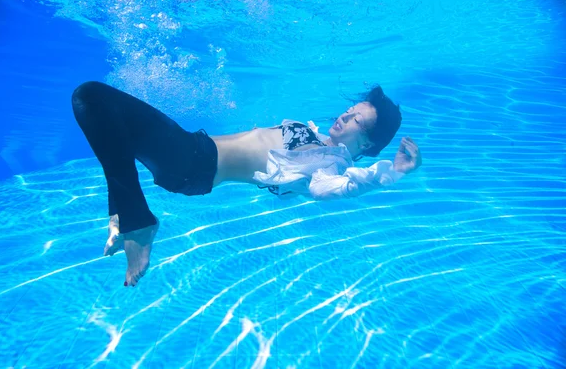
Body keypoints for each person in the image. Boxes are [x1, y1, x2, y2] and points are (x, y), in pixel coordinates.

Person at [71, 81, 422, 287]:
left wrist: (391, 173)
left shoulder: (328, 168)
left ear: (368, 145)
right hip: (193, 148)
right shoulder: (314, 136)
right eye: (351, 110)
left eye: (357, 119)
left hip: (193, 163)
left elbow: (330, 189)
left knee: (92, 97)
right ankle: (119, 214)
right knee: (106, 121)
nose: (345, 116)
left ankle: (137, 223)